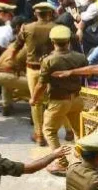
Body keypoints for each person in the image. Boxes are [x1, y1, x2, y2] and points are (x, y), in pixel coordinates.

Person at [30, 25, 88, 176]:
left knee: (49, 130)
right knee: (79, 130)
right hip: (77, 99)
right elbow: (88, 75)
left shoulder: (49, 60)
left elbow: (41, 84)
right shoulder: (80, 57)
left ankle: (62, 163)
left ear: (52, 41)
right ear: (68, 40)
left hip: (58, 101)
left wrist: (34, 99)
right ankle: (85, 158)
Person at [13, 2, 57, 146]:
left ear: (35, 14)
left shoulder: (26, 27)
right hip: (52, 69)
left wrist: (15, 62)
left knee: (36, 101)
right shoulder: (57, 28)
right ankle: (65, 131)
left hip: (33, 69)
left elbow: (16, 47)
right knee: (54, 100)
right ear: (50, 13)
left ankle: (39, 135)